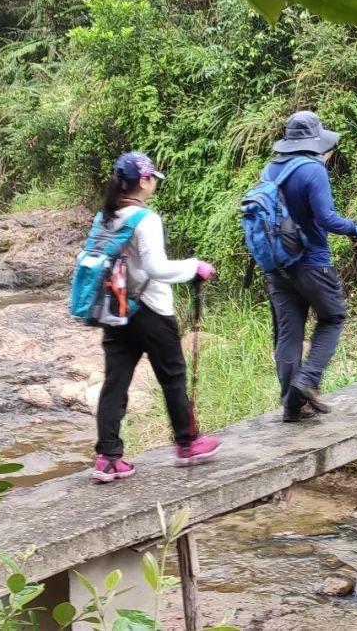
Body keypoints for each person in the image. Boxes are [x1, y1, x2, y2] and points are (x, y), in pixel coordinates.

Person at [91, 151, 221, 483]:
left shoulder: (105, 216)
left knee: (115, 383)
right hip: (150, 311)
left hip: (116, 310)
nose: (153, 186)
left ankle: (108, 459)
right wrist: (195, 266)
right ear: (144, 181)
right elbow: (156, 269)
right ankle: (188, 443)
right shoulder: (146, 219)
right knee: (173, 376)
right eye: (152, 180)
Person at [261, 112, 357, 423]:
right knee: (333, 317)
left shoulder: (270, 169)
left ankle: (293, 406)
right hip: (312, 263)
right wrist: (355, 229)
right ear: (315, 141)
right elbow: (326, 218)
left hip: (278, 266)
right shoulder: (312, 170)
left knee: (289, 333)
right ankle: (306, 382)